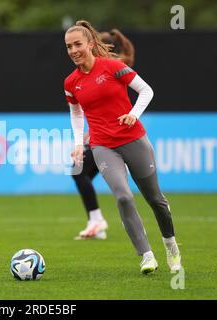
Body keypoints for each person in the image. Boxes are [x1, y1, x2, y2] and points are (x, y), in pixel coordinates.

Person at [64, 20, 182, 274]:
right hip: (103, 147)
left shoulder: (113, 67)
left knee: (156, 200)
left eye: (78, 44)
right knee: (123, 197)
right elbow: (76, 114)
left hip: (133, 140)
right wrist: (76, 144)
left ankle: (171, 245)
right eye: (68, 46)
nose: (73, 50)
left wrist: (133, 114)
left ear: (91, 44)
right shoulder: (70, 83)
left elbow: (146, 91)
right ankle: (147, 256)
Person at [71, 29, 136, 241]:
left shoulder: (110, 67)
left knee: (78, 171)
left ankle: (96, 220)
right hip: (103, 135)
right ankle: (95, 220)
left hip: (112, 137)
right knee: (80, 172)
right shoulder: (104, 67)